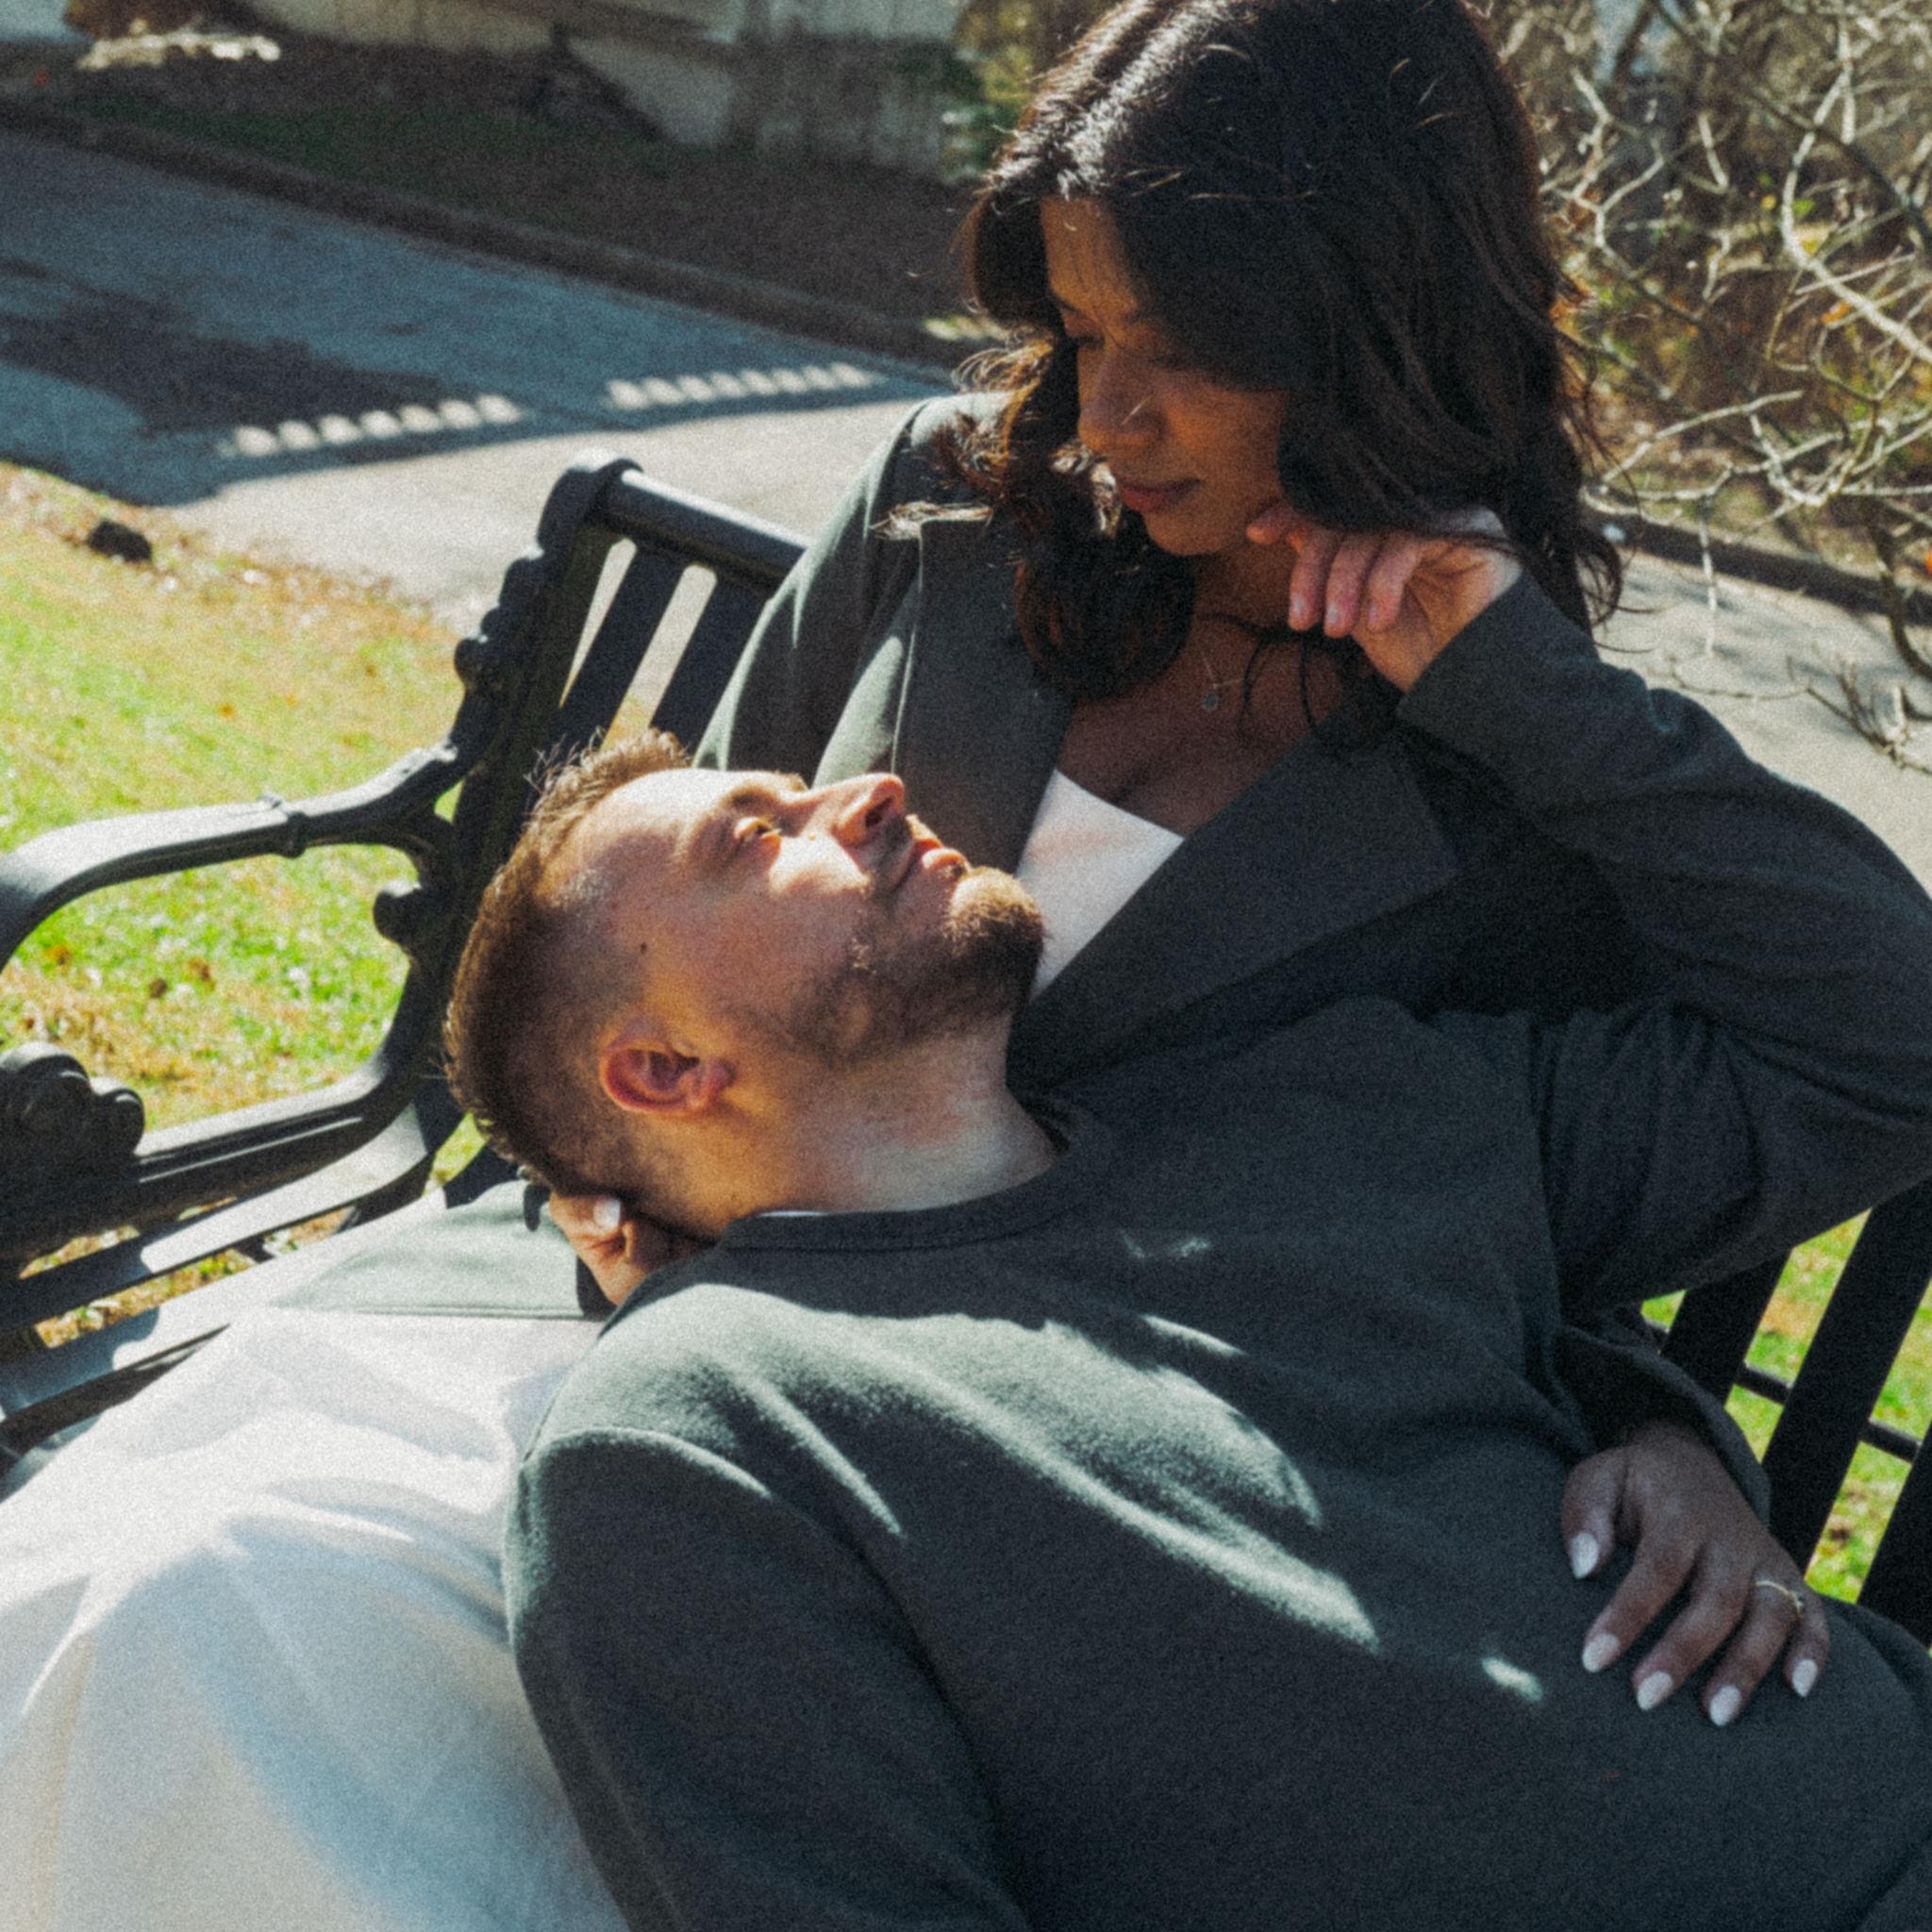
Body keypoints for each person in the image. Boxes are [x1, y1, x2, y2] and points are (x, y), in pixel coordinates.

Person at [551, 0, 1830, 1716]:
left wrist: (1662, 1431)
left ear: (1378, 324)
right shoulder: (947, 509)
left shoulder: (1515, 783)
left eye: (1183, 349)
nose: (1107, 416)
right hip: (678, 1408)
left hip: (1046, 1564)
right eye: (1081, 329)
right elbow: (639, 929)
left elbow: (1472, 1195)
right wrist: (607, 1199)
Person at [452, 525, 1932, 1929]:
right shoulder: (703, 1435)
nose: (873, 790)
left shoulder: (1344, 1098)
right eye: (756, 838)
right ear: (665, 1071)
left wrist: (1520, 677)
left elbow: (1894, 1039)